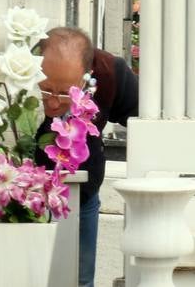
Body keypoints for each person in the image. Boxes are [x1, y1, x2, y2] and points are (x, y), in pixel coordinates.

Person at [37, 27, 139, 287]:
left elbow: (146, 119)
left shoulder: (109, 73)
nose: (53, 103)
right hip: (25, 194)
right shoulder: (13, 74)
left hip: (80, 193)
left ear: (86, 77)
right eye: (46, 91)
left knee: (79, 280)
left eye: (64, 93)